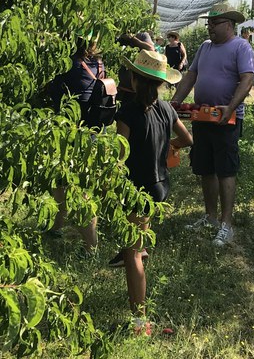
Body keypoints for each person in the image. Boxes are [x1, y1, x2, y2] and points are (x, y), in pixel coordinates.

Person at [111, 49, 193, 334]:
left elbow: (119, 156)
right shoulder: (167, 109)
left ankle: (139, 321)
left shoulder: (128, 112)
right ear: (159, 83)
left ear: (134, 79)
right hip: (160, 188)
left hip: (137, 190)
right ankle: (140, 252)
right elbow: (187, 138)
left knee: (131, 253)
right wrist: (170, 147)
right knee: (137, 241)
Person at [171, 3, 254, 247]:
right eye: (208, 23)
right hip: (202, 117)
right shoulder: (205, 47)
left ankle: (226, 224)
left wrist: (230, 107)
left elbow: (247, 79)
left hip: (226, 119)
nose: (209, 27)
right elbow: (192, 75)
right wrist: (176, 101)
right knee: (205, 167)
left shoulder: (241, 46)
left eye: (214, 23)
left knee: (225, 169)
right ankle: (210, 217)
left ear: (229, 25)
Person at [46, 34, 104, 252]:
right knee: (61, 181)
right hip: (93, 132)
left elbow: (52, 94)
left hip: (74, 133)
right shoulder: (98, 62)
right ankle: (57, 226)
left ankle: (91, 248)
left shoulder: (68, 64)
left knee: (78, 190)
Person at [116, 32, 155, 103]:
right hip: (121, 85)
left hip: (135, 86)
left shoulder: (142, 35)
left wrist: (132, 38)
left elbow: (150, 49)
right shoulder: (119, 34)